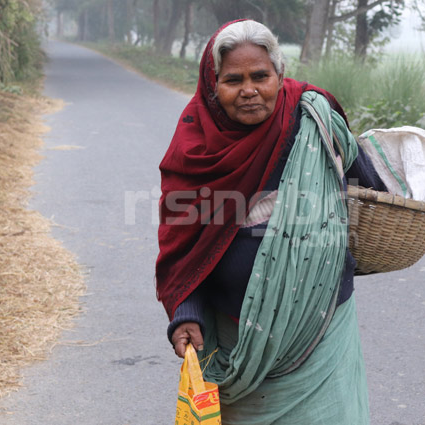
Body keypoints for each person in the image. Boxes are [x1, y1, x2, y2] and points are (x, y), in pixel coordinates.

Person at [156, 19, 386, 424]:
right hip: (236, 338)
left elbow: (370, 190)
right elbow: (186, 245)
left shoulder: (314, 120)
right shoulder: (195, 147)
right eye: (233, 80)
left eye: (260, 76)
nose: (249, 90)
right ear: (213, 87)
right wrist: (186, 311)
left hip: (321, 329)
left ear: (279, 76)